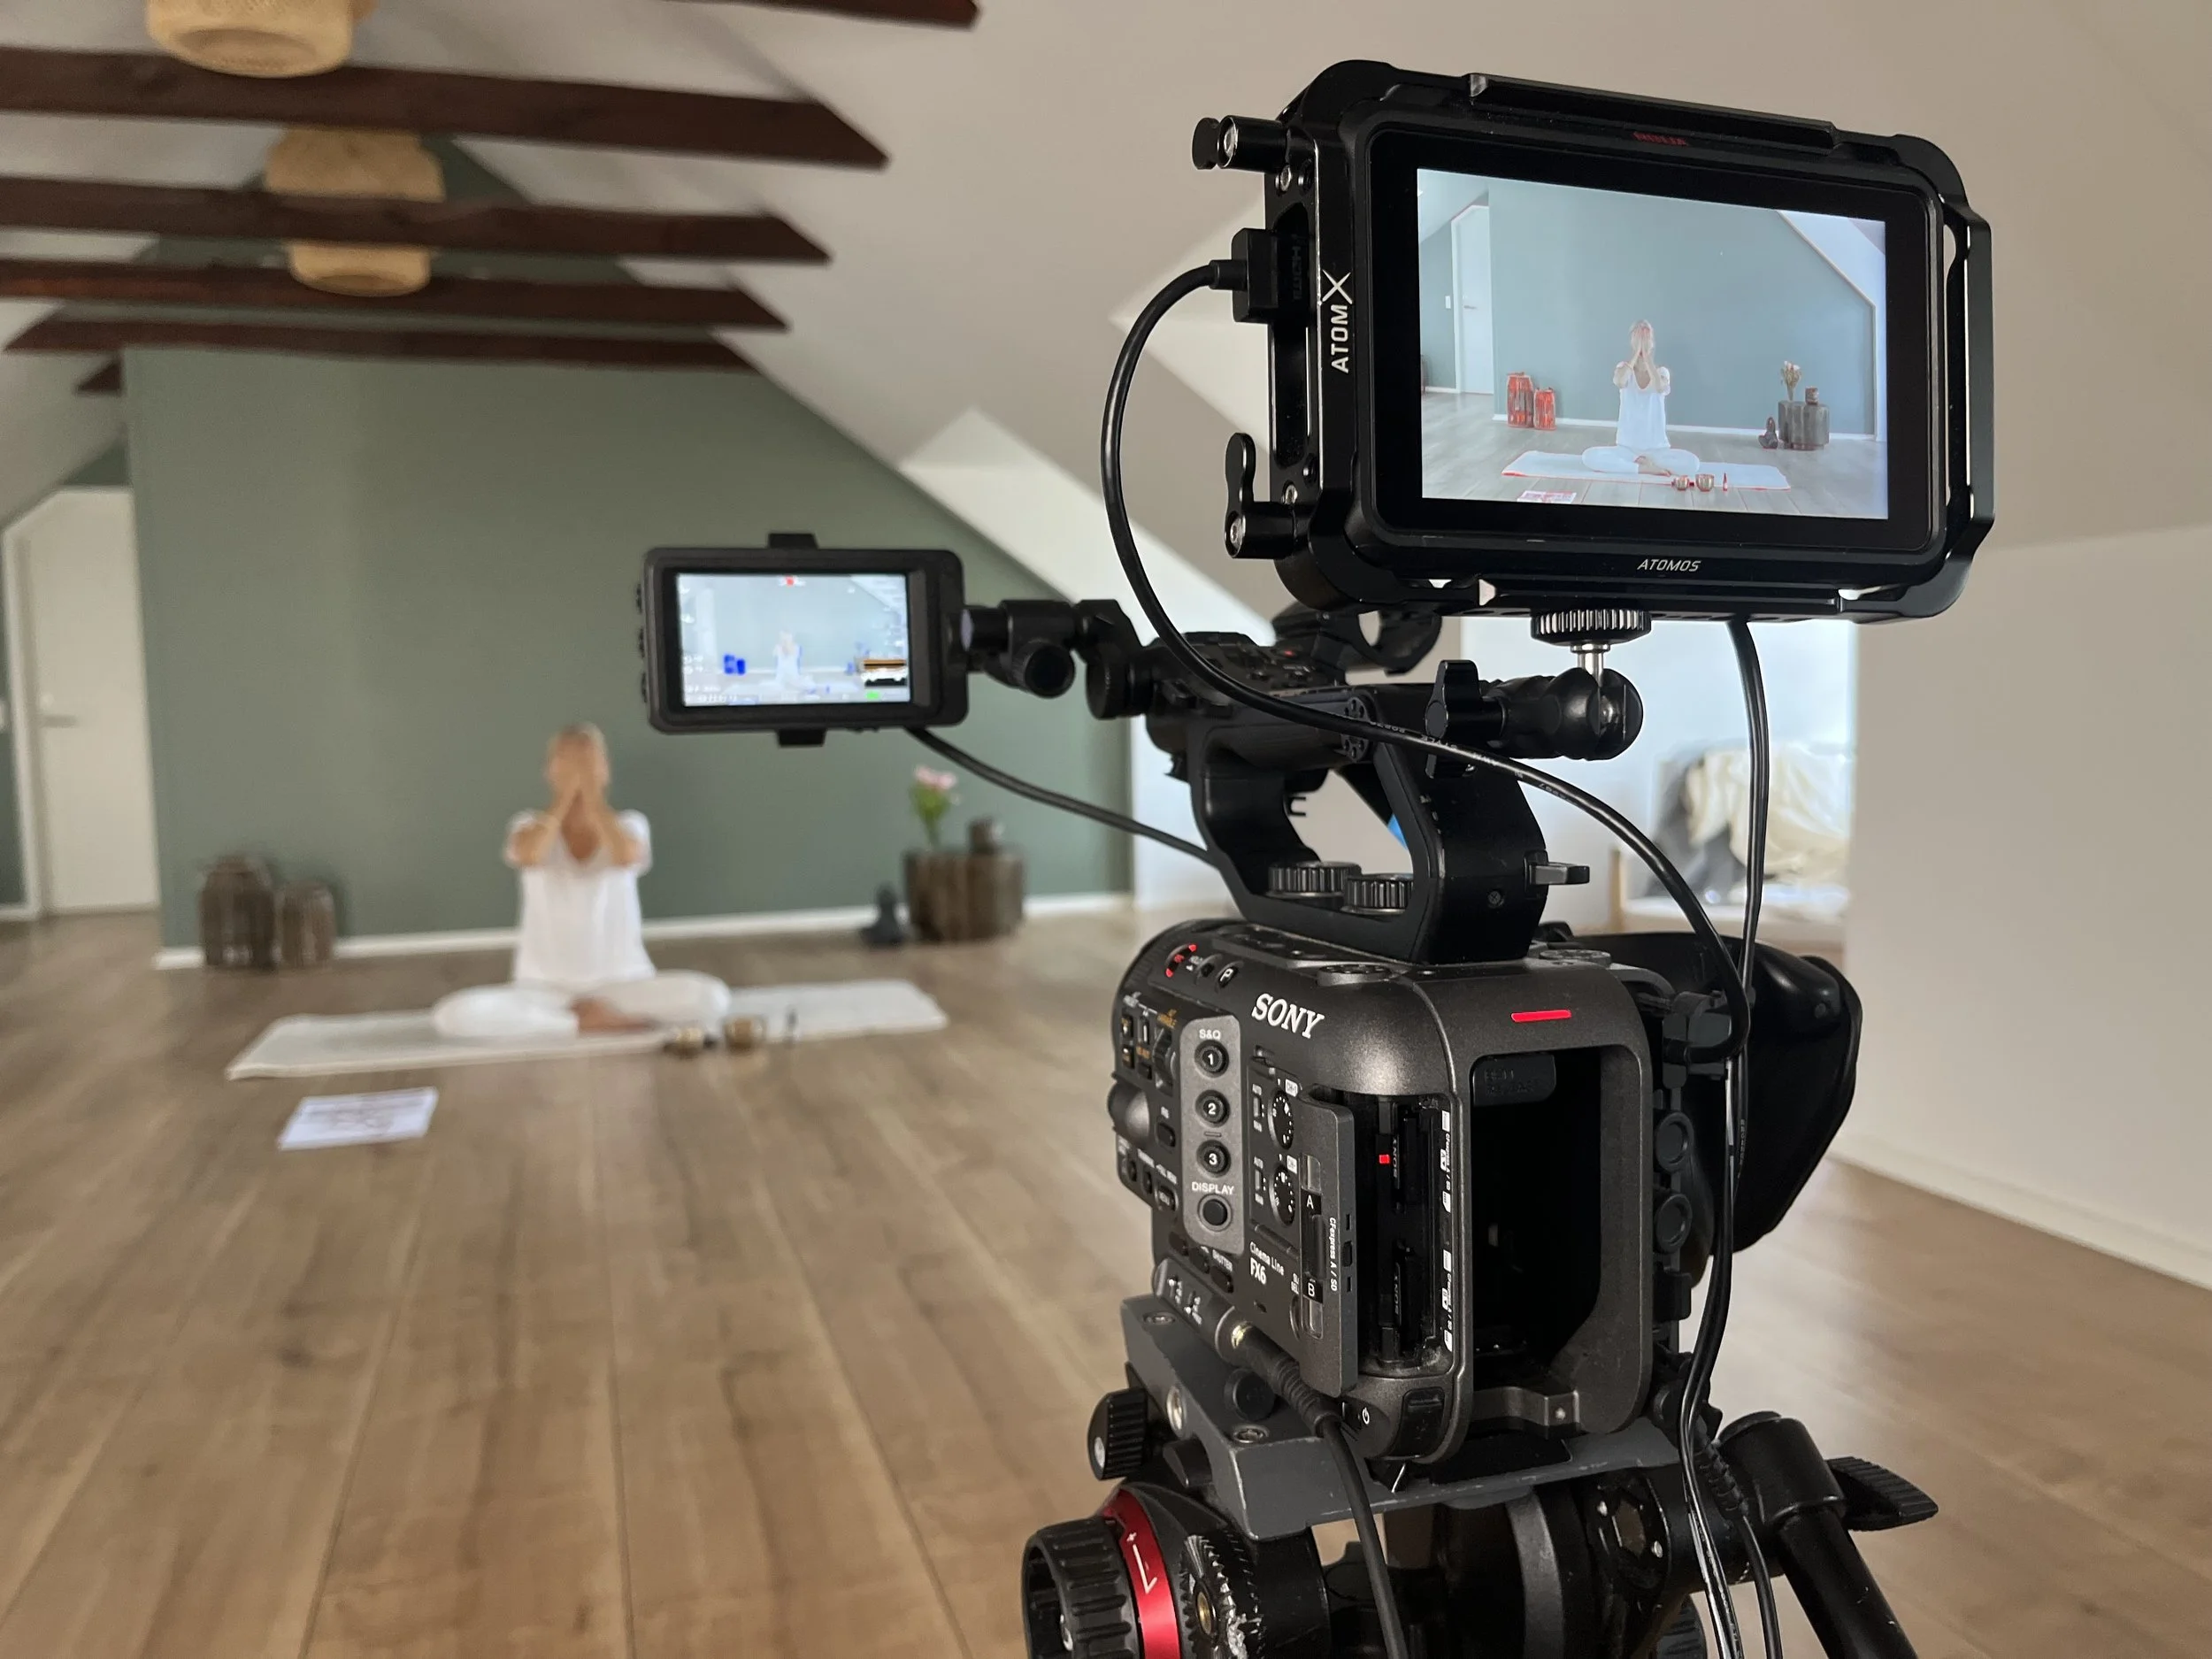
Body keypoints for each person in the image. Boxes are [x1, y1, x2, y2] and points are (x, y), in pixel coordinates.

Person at [431, 725, 732, 1041]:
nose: (579, 770)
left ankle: (586, 1018)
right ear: (549, 771)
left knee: (712, 998)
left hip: (624, 984)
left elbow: (626, 856)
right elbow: (530, 855)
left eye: (589, 761)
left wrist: (591, 795)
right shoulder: (527, 825)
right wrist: (564, 797)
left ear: (606, 770)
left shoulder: (631, 824)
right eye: (567, 761)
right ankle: (578, 1023)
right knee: (452, 1016)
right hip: (544, 990)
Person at [1580, 320, 1703, 477]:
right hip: (1627, 449)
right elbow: (1620, 381)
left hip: (1657, 450)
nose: (1643, 342)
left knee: (1693, 464)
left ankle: (1646, 464)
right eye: (1638, 338)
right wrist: (1636, 352)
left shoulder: (1662, 372)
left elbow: (1659, 387)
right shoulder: (1623, 368)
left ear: (1652, 344)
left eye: (1647, 338)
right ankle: (1642, 468)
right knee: (1588, 457)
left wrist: (1646, 355)